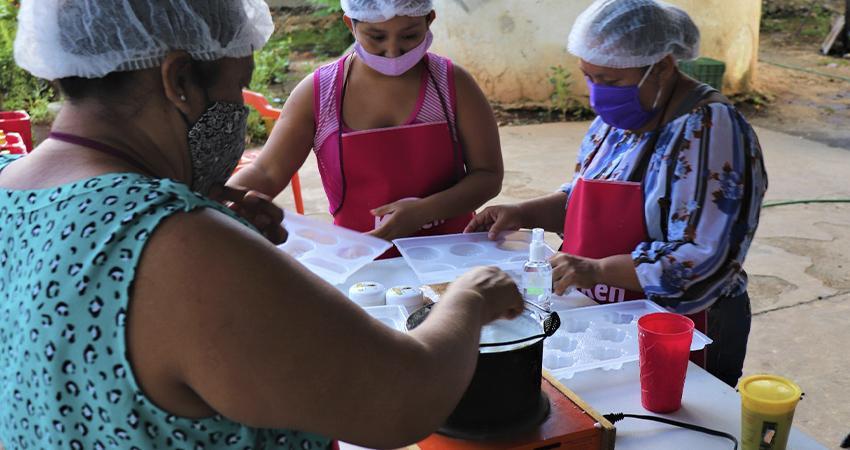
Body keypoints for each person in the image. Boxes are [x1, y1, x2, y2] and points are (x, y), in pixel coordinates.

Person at [0, 1, 524, 449]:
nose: (238, 115)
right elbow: (401, 401)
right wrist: (470, 297)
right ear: (180, 81)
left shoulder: (9, 190)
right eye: (238, 87)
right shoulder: (180, 242)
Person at [466, 0, 768, 388]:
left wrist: (596, 269)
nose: (598, 93)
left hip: (686, 325)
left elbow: (703, 259)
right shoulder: (621, 119)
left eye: (610, 80)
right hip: (609, 312)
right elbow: (588, 203)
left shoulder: (711, 131)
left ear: (661, 67)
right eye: (590, 77)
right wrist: (524, 212)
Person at [229, 0, 503, 244]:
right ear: (351, 24)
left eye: (409, 36)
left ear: (429, 20)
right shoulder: (320, 93)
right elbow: (267, 172)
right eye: (376, 37)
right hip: (360, 259)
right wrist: (220, 205)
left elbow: (487, 175)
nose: (393, 51)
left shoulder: (452, 84)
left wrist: (425, 211)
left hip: (452, 252)